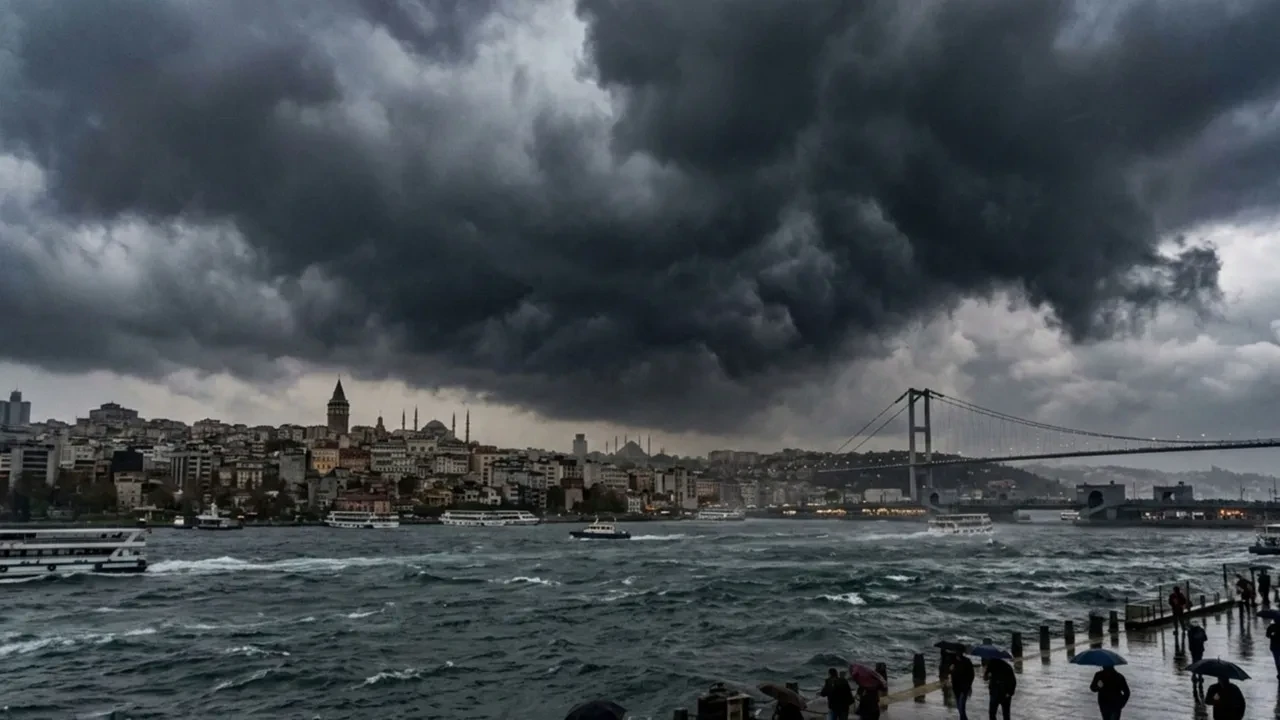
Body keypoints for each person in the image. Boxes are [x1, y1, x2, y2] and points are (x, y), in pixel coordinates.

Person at [950, 652, 976, 720]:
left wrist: (969, 685)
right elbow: (953, 674)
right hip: (956, 686)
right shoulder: (954, 661)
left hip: (964, 687)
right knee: (959, 706)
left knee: (961, 706)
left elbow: (971, 674)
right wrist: (951, 670)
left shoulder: (967, 661)